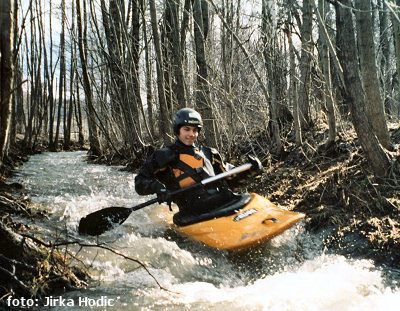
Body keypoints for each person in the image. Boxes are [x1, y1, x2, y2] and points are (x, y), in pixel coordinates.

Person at [134, 107, 262, 225]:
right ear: (177, 130)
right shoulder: (164, 156)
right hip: (193, 212)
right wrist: (157, 187)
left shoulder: (209, 153)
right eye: (187, 129)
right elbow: (140, 182)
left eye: (195, 130)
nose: (191, 134)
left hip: (223, 201)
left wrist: (249, 170)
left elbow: (231, 180)